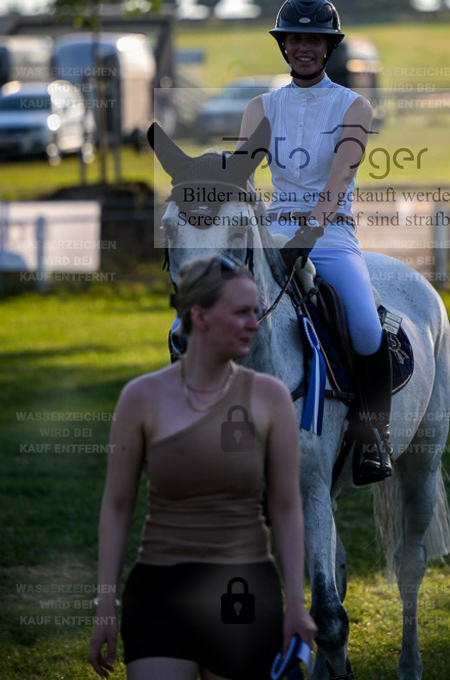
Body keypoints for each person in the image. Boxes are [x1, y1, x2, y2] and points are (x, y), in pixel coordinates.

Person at [88, 255, 316, 680]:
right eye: (242, 312)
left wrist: (296, 606)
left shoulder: (270, 397)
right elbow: (117, 506)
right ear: (200, 316)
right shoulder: (140, 398)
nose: (255, 323)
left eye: (255, 310)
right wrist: (105, 603)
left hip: (242, 587)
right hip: (160, 589)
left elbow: (286, 507)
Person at [236, 0, 393, 485]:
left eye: (315, 40)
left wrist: (308, 234)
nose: (304, 47)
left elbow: (339, 181)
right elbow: (241, 175)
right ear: (284, 46)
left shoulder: (354, 106)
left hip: (331, 236)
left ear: (329, 48)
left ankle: (373, 439)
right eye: (296, 38)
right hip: (272, 232)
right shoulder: (261, 107)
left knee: (367, 329)